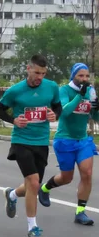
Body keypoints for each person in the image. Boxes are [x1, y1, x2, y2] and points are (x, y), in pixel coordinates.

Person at [0, 54, 62, 237]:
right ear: (28, 69)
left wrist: (54, 115)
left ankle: (12, 194)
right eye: (37, 72)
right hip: (21, 140)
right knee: (33, 182)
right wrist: (14, 120)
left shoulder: (51, 87)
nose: (40, 76)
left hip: (41, 141)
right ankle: (32, 228)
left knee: (34, 184)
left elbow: (58, 107)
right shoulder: (15, 90)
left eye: (43, 73)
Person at [37, 63, 98, 226]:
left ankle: (80, 212)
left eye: (86, 76)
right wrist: (79, 96)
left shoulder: (90, 92)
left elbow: (95, 117)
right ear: (73, 76)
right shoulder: (64, 91)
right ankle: (44, 188)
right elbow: (64, 112)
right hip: (65, 140)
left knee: (87, 173)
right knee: (66, 177)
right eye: (81, 76)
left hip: (83, 140)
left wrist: (97, 108)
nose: (84, 79)